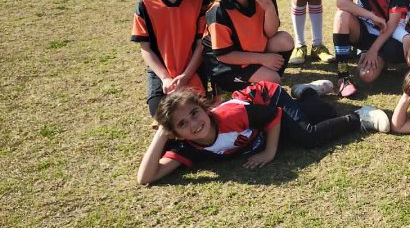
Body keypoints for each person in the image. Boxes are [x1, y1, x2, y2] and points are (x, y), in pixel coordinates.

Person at [136, 81, 390, 185]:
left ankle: (358, 118)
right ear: (177, 135)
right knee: (322, 111)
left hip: (268, 99)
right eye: (182, 125)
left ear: (203, 107)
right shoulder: (187, 146)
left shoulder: (228, 117)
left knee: (308, 136)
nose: (194, 123)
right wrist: (161, 134)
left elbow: (273, 116)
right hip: (260, 125)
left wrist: (269, 152)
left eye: (194, 113)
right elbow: (146, 177)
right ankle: (307, 92)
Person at [131, 0, 207, 116]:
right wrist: (165, 77)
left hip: (191, 69)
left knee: (193, 112)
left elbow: (201, 45)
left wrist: (186, 76)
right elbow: (146, 49)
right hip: (161, 72)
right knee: (162, 114)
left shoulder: (198, 0)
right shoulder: (145, 3)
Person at [203, 0, 294, 92]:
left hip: (248, 53)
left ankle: (261, 82)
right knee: (273, 78)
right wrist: (262, 59)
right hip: (225, 65)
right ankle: (231, 87)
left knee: (284, 40)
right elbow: (223, 55)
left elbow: (271, 32)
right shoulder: (219, 10)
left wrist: (269, 8)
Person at [332, 0, 405, 97]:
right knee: (341, 16)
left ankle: (381, 59)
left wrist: (373, 51)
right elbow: (341, 2)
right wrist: (370, 15)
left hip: (386, 37)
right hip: (364, 33)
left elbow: (392, 25)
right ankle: (343, 76)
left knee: (366, 76)